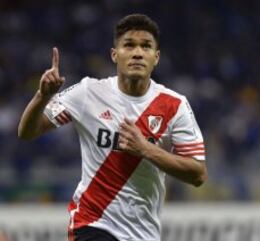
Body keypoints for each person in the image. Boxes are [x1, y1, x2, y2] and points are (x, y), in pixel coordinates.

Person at [18, 14, 207, 241]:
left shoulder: (175, 106)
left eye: (146, 46)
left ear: (156, 57)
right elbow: (27, 132)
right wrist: (42, 96)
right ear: (114, 54)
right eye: (129, 45)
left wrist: (145, 149)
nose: (137, 52)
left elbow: (198, 174)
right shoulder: (88, 92)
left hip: (144, 233)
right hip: (92, 224)